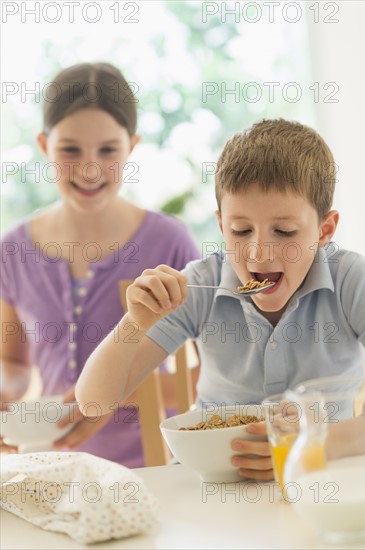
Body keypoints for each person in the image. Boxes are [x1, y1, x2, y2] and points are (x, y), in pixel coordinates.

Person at [76, 119, 365, 480]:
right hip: (212, 487)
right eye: (241, 230)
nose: (259, 252)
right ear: (221, 227)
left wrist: (312, 443)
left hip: (319, 477)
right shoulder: (200, 284)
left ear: (324, 230)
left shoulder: (351, 280)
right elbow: (93, 401)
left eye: (284, 231)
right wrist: (134, 323)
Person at [0, 62, 200, 467]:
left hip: (160, 470)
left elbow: (212, 377)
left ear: (132, 146)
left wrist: (109, 396)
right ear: (44, 145)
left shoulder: (170, 242)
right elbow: (14, 363)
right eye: (70, 149)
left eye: (108, 150)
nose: (90, 168)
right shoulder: (12, 251)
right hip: (57, 472)